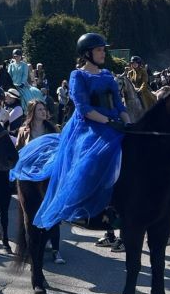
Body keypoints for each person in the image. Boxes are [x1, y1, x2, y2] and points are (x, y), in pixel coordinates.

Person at [33, 33, 130, 230]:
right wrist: (108, 121)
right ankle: (80, 208)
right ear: (87, 54)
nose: (103, 53)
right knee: (93, 158)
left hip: (114, 123)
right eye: (99, 50)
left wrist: (128, 123)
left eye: (103, 50)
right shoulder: (78, 75)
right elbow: (84, 108)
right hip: (89, 126)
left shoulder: (107, 74)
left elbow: (119, 105)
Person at [15, 101, 65, 264]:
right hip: (29, 178)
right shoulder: (24, 131)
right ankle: (32, 249)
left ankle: (56, 250)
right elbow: (19, 152)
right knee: (31, 215)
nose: (43, 112)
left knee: (53, 213)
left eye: (44, 109)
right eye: (39, 109)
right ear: (32, 112)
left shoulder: (53, 129)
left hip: (49, 176)